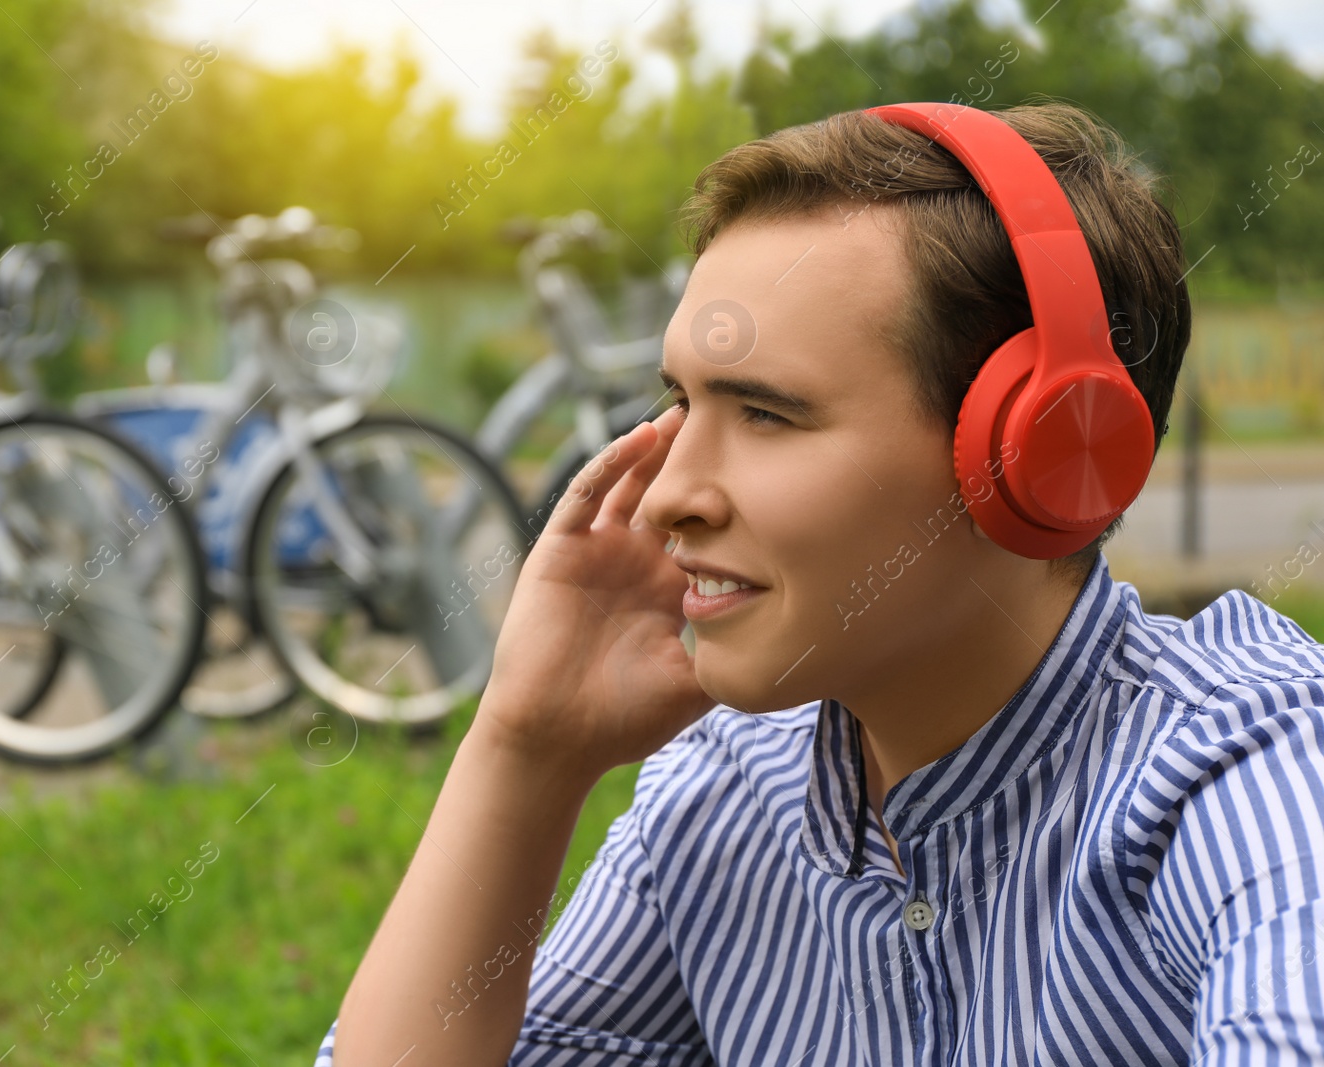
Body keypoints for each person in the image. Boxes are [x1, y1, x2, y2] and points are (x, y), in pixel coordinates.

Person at [315, 100, 1324, 1065]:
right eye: (679, 402)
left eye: (765, 413)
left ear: (1042, 455)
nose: (666, 495)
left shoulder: (1244, 771)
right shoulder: (724, 790)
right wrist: (525, 747)